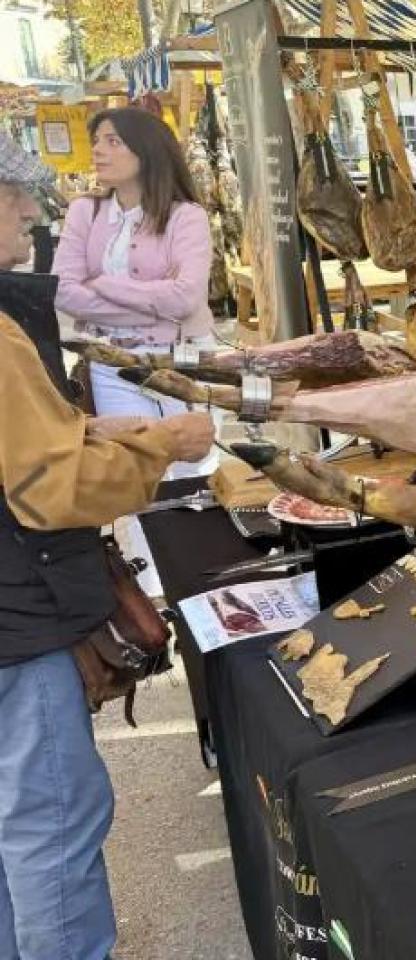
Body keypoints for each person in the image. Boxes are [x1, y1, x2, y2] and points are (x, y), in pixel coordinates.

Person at [0, 132, 215, 960]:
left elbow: (25, 447)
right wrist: (160, 448)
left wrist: (93, 428)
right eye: (14, 194)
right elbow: (52, 490)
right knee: (50, 826)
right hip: (15, 628)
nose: (31, 210)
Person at [52, 106, 216, 479]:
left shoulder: (186, 217)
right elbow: (62, 291)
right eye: (96, 141)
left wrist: (104, 286)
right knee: (131, 470)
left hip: (185, 360)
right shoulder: (84, 212)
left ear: (147, 150)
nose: (98, 150)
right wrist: (156, 305)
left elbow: (187, 298)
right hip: (113, 363)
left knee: (194, 472)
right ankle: (140, 541)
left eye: (113, 141)